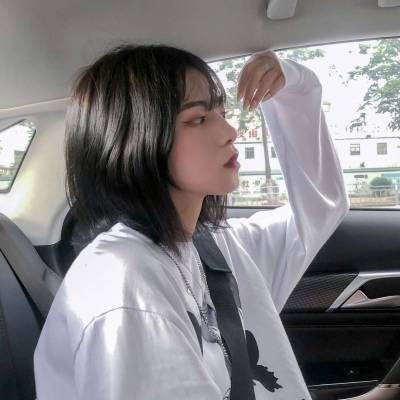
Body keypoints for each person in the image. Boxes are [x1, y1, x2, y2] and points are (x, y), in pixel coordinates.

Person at [34, 44, 349, 400]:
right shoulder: (124, 285)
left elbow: (322, 206)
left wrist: (293, 84)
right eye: (198, 119)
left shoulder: (214, 246)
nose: (230, 131)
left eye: (221, 112)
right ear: (135, 137)